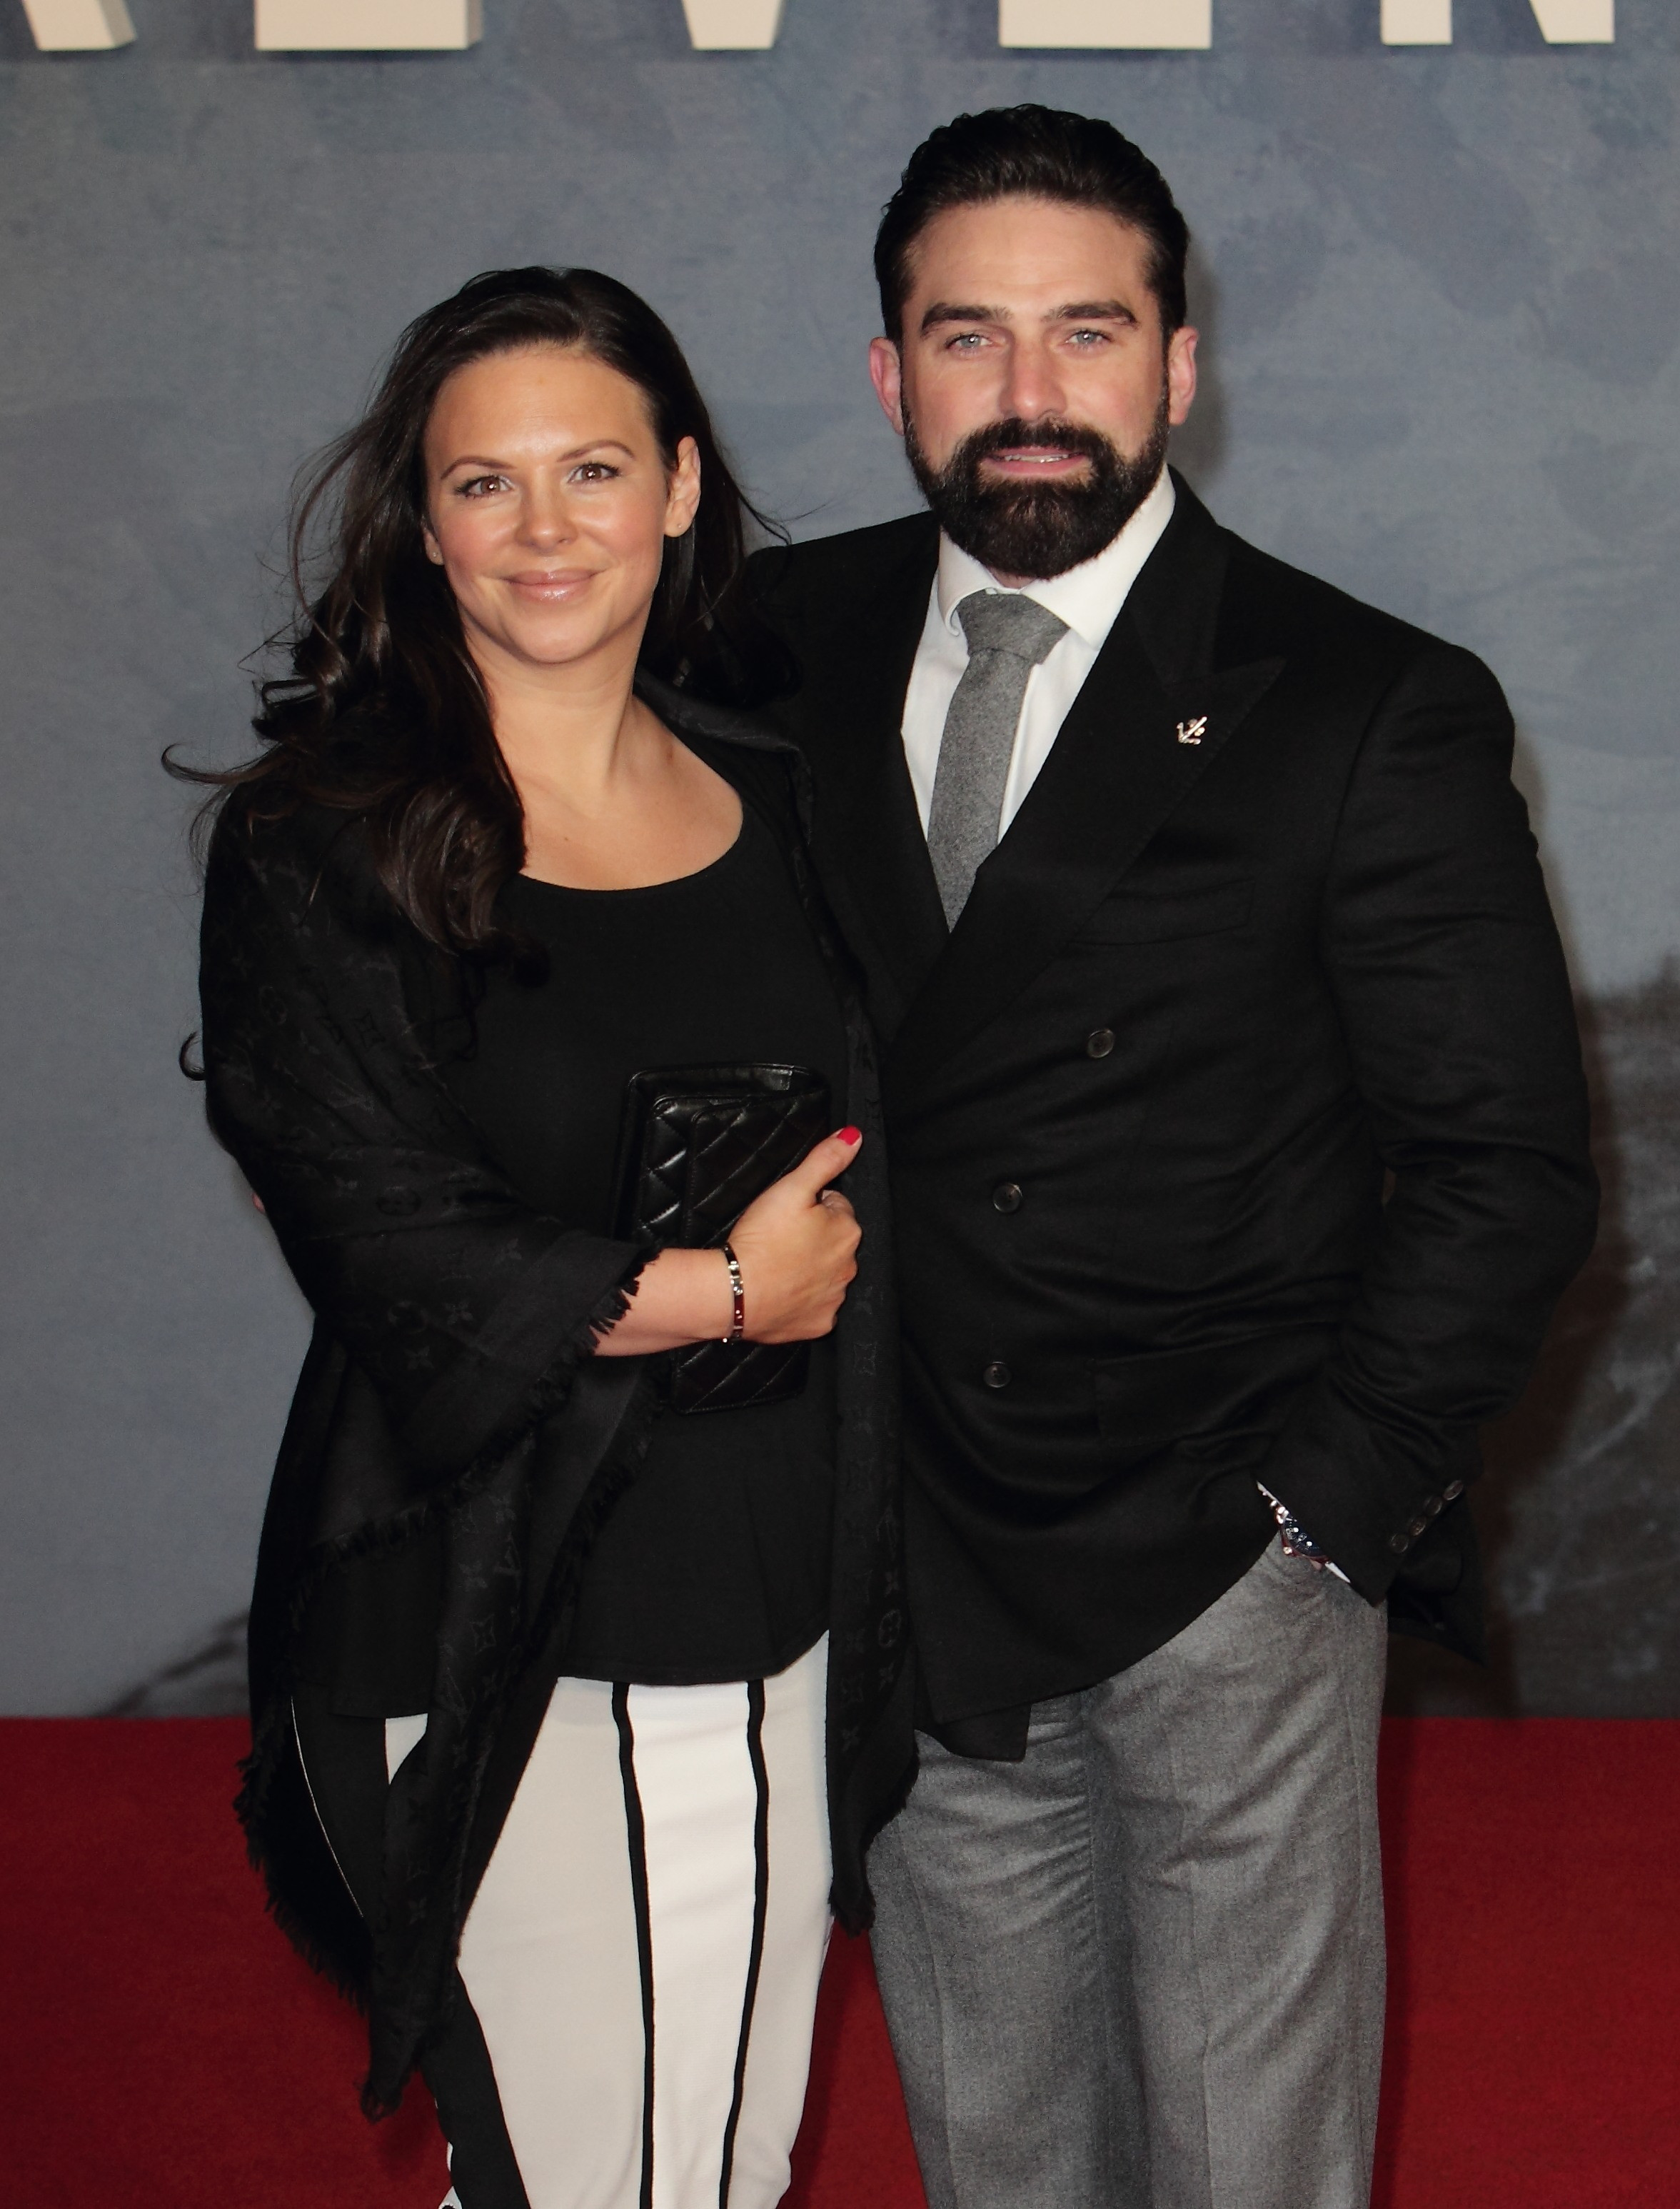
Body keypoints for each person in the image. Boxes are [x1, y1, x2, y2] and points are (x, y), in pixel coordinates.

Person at [748, 106, 1599, 2209]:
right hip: (912, 1524)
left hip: (1227, 1537)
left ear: (1176, 364)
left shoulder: (1363, 700)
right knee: (997, 2131)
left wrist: (1321, 1506)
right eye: (967, 340)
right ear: (887, 374)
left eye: (1085, 335)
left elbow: (1507, 1164)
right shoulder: (762, 651)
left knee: (1242, 2150)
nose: (1029, 400)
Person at [189, 266, 912, 2209]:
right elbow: (367, 1218)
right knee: (624, 2184)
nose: (542, 530)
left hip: (770, 1583)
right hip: (486, 1593)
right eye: (483, 484)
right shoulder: (328, 838)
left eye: (591, 468)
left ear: (680, 485)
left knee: (681, 2172)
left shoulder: (781, 794)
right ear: (421, 523)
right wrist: (718, 1292)